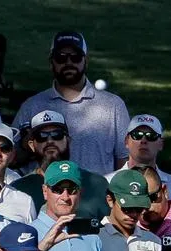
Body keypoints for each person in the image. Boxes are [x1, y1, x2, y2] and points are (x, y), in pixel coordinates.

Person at [12, 31, 131, 176]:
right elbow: (9, 157)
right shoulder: (31, 106)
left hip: (96, 195)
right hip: (44, 196)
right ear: (51, 62)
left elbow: (125, 161)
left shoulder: (113, 106)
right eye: (61, 58)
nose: (68, 63)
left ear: (85, 60)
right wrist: (27, 146)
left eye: (75, 57)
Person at [10, 110, 109, 221]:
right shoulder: (18, 189)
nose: (50, 141)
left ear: (68, 140)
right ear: (32, 145)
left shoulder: (97, 184)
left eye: (57, 135)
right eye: (41, 136)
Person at [107, 115, 171, 204]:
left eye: (151, 136)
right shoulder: (107, 183)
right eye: (137, 135)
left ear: (161, 144)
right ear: (126, 141)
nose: (143, 140)